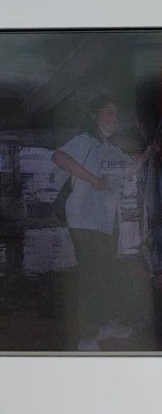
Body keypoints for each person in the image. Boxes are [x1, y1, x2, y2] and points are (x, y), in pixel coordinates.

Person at [52, 96, 155, 350]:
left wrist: (148, 153)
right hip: (83, 220)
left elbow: (128, 171)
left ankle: (102, 325)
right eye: (108, 113)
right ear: (94, 116)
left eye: (115, 114)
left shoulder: (111, 150)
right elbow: (59, 157)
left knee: (104, 274)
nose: (113, 118)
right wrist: (93, 179)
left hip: (104, 224)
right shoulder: (85, 141)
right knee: (92, 277)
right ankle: (87, 339)